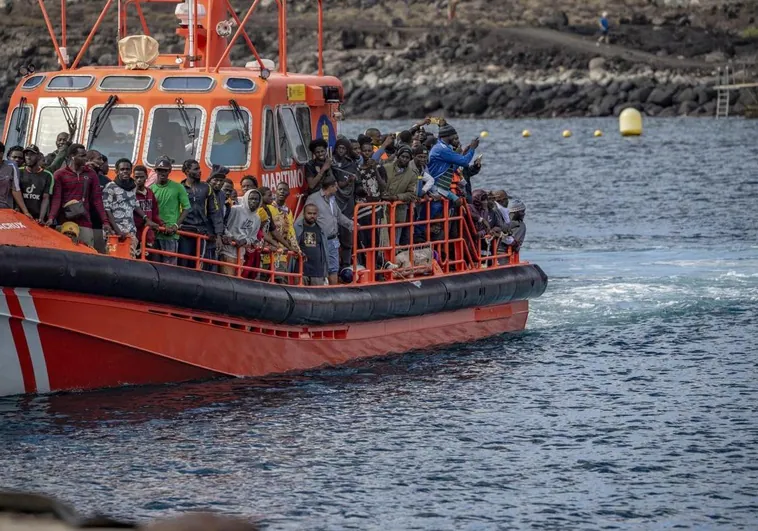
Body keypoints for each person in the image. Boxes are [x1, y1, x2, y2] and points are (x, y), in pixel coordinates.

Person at [47, 144, 112, 248]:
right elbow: (56, 198)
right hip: (64, 221)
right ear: (72, 156)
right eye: (82, 156)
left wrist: (105, 222)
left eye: (85, 155)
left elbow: (97, 199)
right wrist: (51, 217)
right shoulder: (60, 174)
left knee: (87, 252)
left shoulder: (91, 174)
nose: (85, 158)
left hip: (85, 221)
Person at [305, 176, 354, 285]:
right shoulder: (313, 199)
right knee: (319, 268)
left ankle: (333, 292)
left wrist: (351, 225)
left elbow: (339, 216)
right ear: (330, 187)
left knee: (333, 268)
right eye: (335, 187)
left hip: (333, 240)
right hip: (320, 241)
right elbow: (305, 218)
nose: (337, 189)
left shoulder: (332, 199)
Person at [103, 159, 155, 257]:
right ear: (117, 171)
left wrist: (146, 218)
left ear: (131, 171)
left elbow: (135, 204)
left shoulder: (133, 186)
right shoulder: (110, 187)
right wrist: (117, 230)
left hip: (130, 230)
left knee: (129, 258)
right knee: (113, 258)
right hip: (115, 232)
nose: (125, 171)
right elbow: (107, 210)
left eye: (127, 169)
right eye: (122, 169)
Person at [178, 159, 224, 270]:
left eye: (199, 168)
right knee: (183, 263)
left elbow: (215, 212)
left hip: (201, 232)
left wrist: (218, 235)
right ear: (187, 171)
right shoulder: (180, 188)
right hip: (184, 231)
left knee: (198, 264)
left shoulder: (206, 188)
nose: (200, 171)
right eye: (196, 169)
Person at [150, 157, 190, 265]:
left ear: (169, 171)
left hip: (170, 233)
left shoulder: (178, 187)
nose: (162, 173)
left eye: (165, 170)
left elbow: (186, 208)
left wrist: (176, 226)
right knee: (154, 264)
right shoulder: (151, 189)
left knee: (169, 265)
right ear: (155, 171)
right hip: (154, 232)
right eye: (160, 170)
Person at [427, 124, 478, 204]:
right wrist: (472, 149)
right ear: (448, 136)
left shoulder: (444, 147)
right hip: (436, 185)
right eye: (454, 136)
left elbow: (451, 168)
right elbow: (464, 162)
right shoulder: (442, 149)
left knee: (457, 202)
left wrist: (463, 154)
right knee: (441, 207)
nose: (456, 139)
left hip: (442, 185)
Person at [220, 189, 262, 276]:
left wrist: (246, 241)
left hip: (241, 255)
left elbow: (253, 238)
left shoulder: (257, 218)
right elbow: (224, 226)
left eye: (256, 199)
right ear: (246, 198)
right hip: (227, 251)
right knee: (227, 280)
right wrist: (231, 237)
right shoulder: (235, 210)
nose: (253, 201)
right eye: (251, 198)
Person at [382, 145, 417, 245]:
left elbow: (411, 194)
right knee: (381, 239)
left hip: (398, 212)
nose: (404, 159)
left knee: (394, 241)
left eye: (407, 158)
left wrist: (396, 197)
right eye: (403, 156)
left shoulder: (412, 174)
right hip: (382, 210)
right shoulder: (386, 167)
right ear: (398, 156)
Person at [332, 138, 358, 268]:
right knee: (333, 233)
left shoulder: (351, 164)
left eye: (344, 149)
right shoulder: (331, 163)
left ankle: (346, 263)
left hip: (348, 201)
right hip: (334, 199)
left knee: (347, 232)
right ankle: (334, 264)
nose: (341, 151)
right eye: (339, 148)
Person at [133, 164, 164, 256]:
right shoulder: (131, 194)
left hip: (148, 234)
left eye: (141, 177)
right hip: (135, 234)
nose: (139, 180)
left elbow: (154, 212)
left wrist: (161, 224)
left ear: (146, 176)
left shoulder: (150, 193)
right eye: (136, 177)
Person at [295, 204, 328, 286]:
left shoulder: (321, 228)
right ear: (304, 214)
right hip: (301, 270)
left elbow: (324, 250)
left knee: (318, 296)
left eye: (314, 213)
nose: (312, 216)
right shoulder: (297, 227)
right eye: (309, 213)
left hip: (317, 271)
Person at [18, 145, 54, 223]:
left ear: (38, 156)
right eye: (26, 154)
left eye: (32, 154)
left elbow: (45, 198)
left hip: (36, 218)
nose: (28, 157)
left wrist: (41, 217)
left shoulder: (47, 175)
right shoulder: (18, 171)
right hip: (19, 215)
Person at [85, 150, 111, 253]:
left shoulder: (106, 181)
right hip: (83, 221)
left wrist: (105, 221)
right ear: (90, 160)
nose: (102, 162)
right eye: (99, 159)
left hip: (98, 224)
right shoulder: (81, 175)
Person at [0, 141, 32, 216]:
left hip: (5, 210)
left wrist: (26, 212)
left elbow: (16, 189)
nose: (17, 159)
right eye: (15, 157)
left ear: (1, 154)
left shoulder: (12, 166)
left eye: (20, 158)